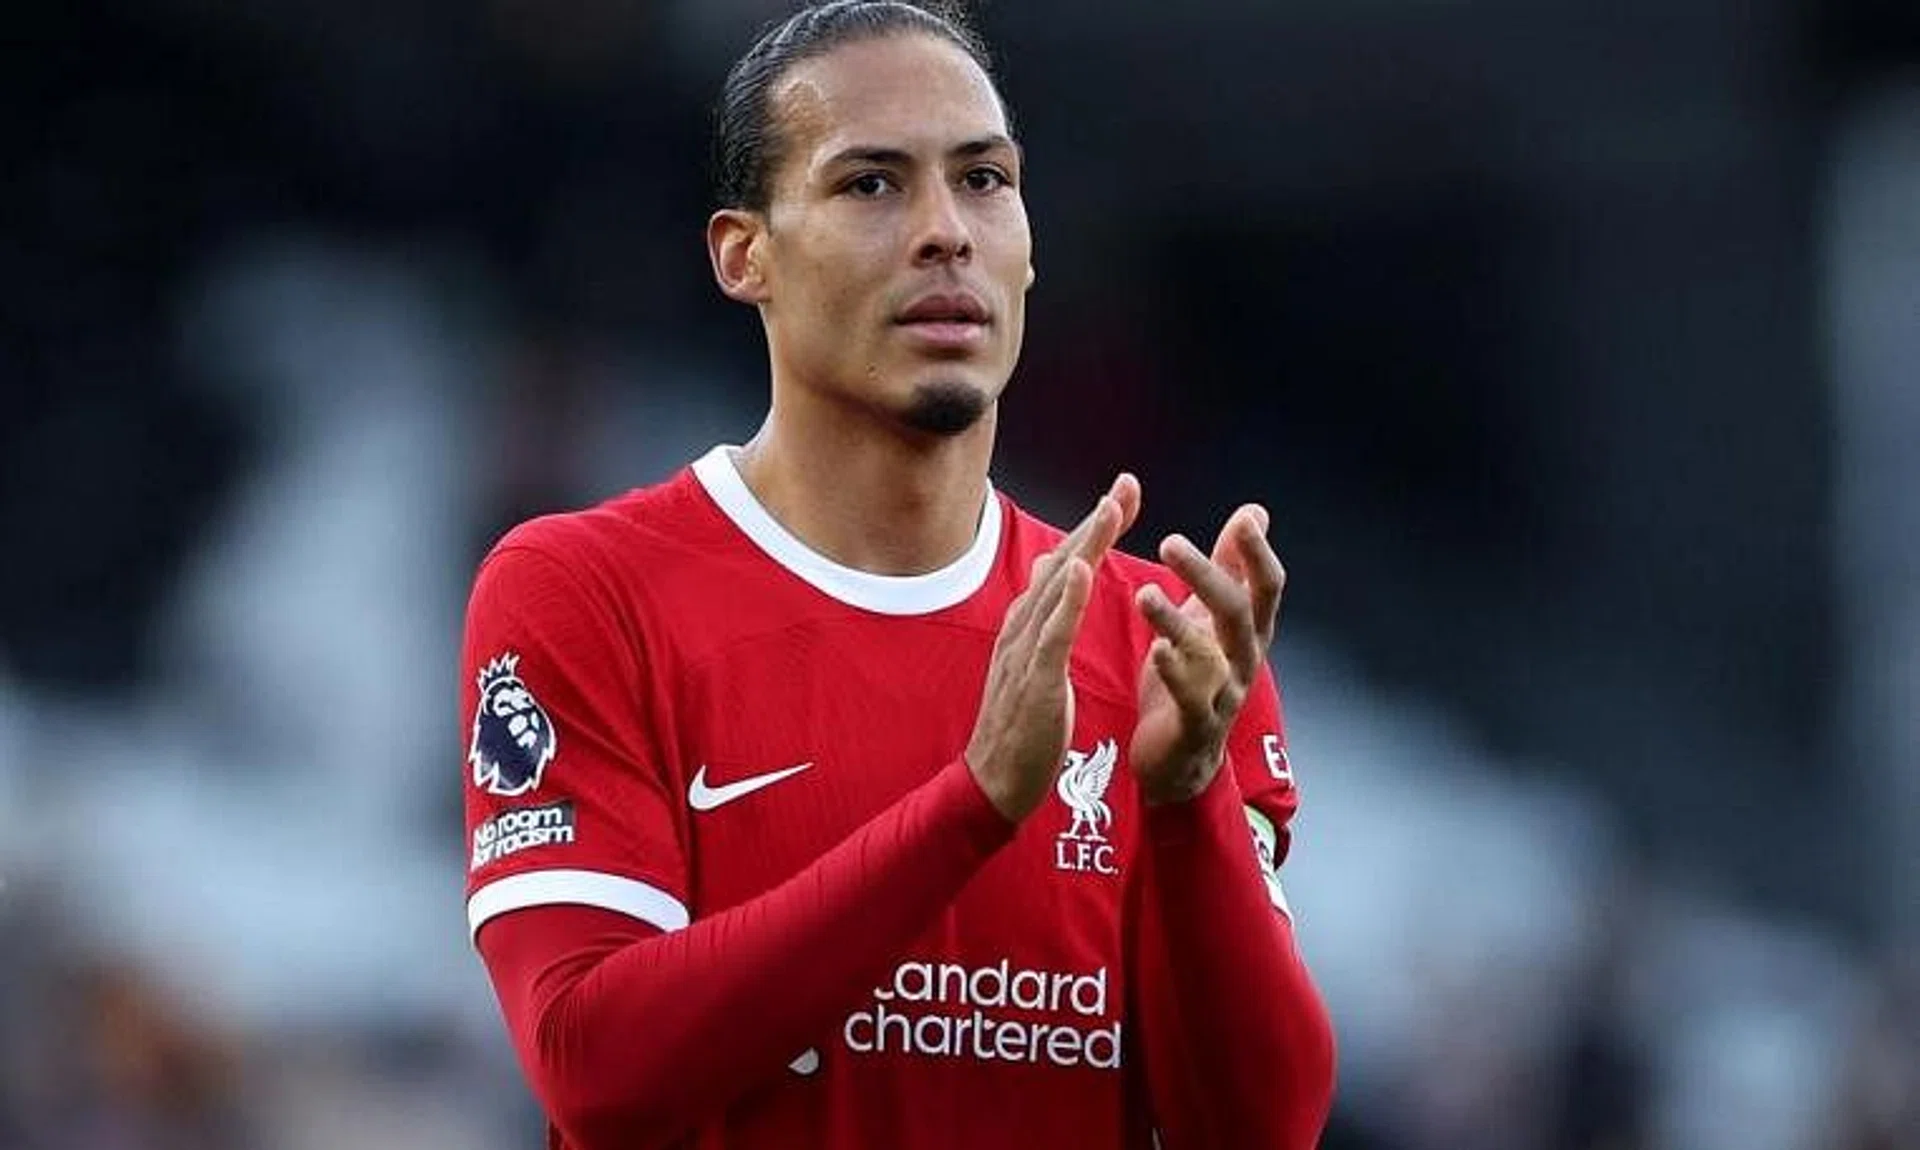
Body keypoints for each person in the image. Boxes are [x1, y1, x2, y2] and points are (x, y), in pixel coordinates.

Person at [459, 2, 1336, 1146]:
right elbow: (595, 1066)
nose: (945, 232)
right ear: (745, 254)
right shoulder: (586, 590)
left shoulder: (1156, 643)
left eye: (983, 181)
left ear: (1028, 242)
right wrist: (970, 810)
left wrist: (1187, 805)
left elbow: (1260, 1128)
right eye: (871, 184)